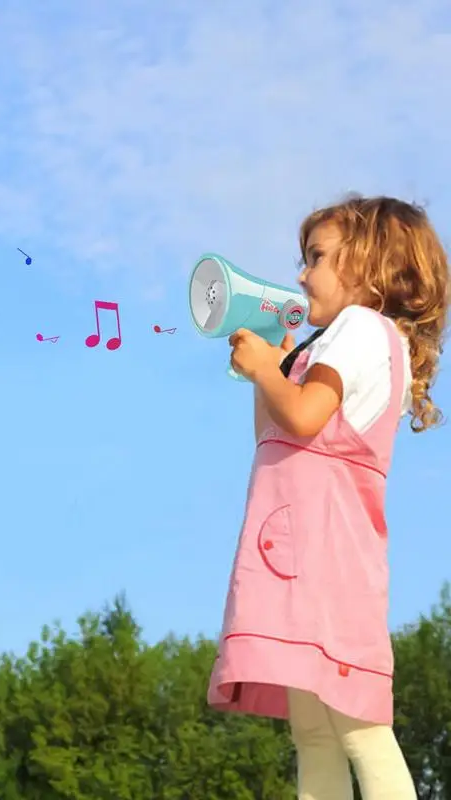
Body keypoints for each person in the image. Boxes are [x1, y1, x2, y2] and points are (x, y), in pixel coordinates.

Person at [208, 195, 449, 800]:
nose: (300, 274)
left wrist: (269, 371)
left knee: (359, 729)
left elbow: (308, 417)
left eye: (315, 257)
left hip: (322, 566)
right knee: (315, 732)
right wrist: (270, 366)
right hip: (299, 564)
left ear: (370, 265)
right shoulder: (337, 343)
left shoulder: (360, 327)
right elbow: (277, 430)